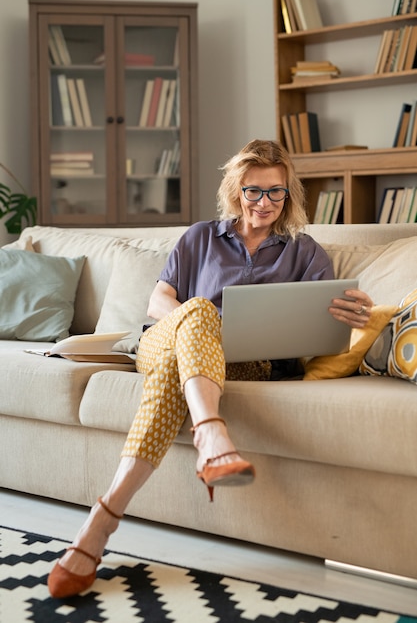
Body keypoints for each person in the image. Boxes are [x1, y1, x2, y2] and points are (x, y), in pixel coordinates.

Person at [48, 139, 373, 598]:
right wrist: (202, 324)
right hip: (164, 343)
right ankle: (211, 432)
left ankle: (99, 525)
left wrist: (352, 313)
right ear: (235, 190)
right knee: (197, 310)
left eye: (275, 192)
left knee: (171, 383)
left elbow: (320, 317)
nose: (264, 203)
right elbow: (160, 300)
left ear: (289, 193)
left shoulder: (305, 252)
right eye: (253, 191)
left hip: (245, 365)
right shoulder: (200, 236)